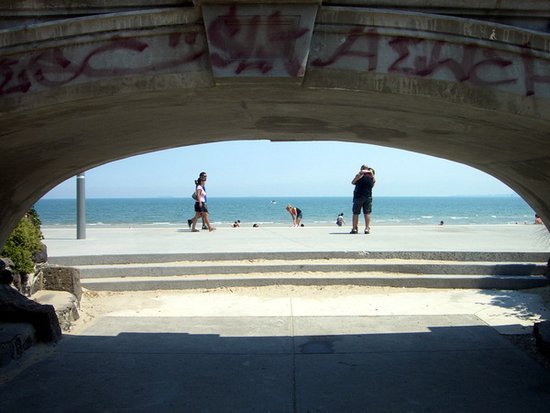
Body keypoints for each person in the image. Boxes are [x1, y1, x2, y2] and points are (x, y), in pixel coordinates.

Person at [350, 164, 375, 234]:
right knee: (367, 213)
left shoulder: (359, 175)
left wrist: (360, 175)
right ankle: (367, 228)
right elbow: (373, 183)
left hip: (359, 196)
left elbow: (352, 182)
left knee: (356, 213)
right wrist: (371, 174)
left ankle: (355, 228)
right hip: (367, 196)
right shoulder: (371, 177)